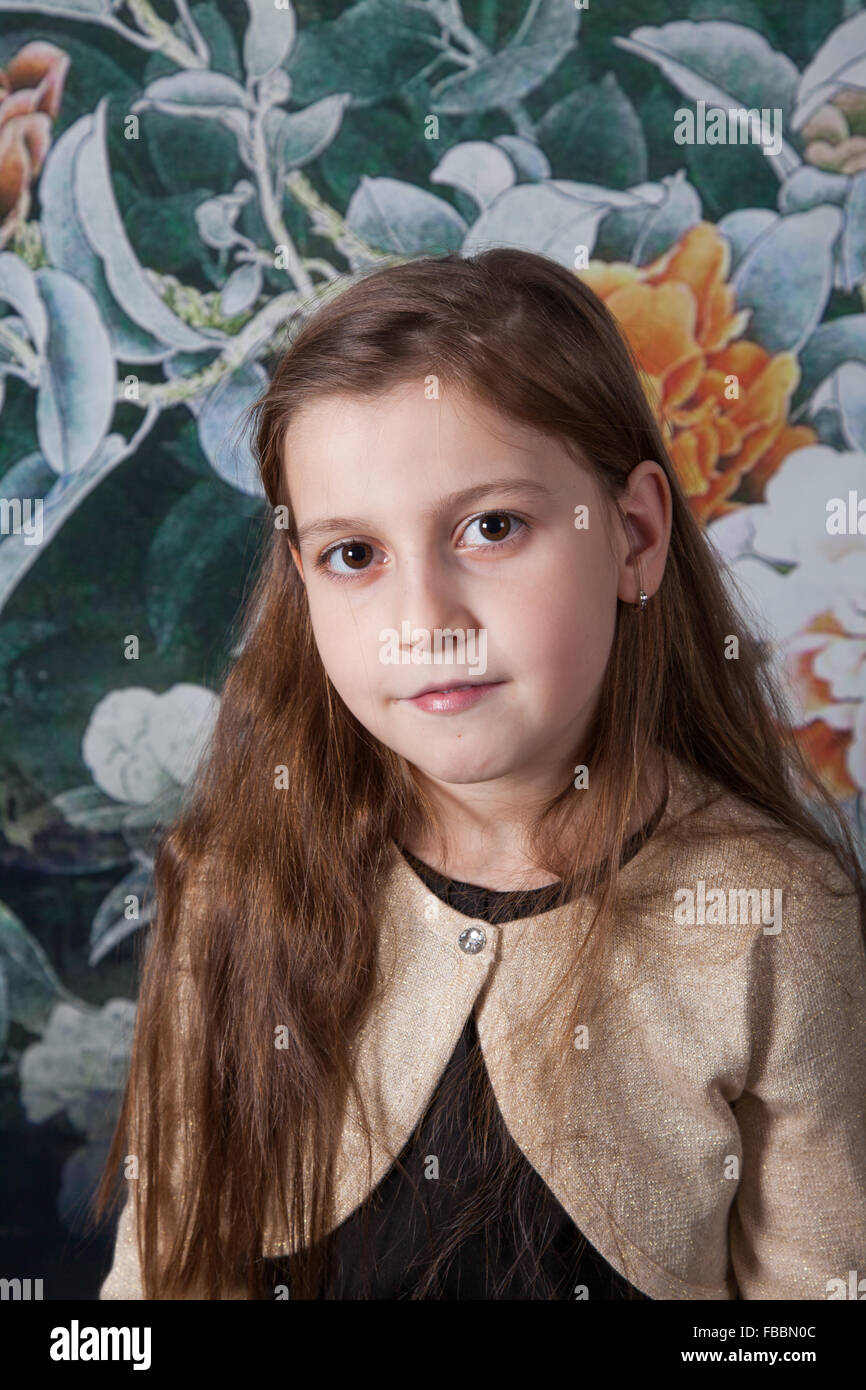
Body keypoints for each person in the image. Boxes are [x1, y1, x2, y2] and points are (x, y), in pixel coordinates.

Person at [93, 248, 866, 1300]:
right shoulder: (235, 879)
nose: (423, 624)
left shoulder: (775, 914)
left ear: (632, 536)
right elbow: (157, 1288)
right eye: (353, 556)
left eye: (490, 528)